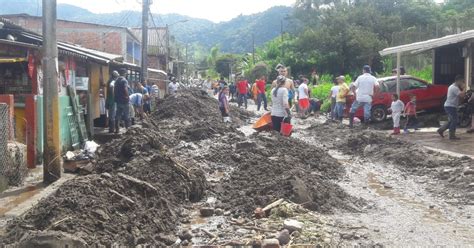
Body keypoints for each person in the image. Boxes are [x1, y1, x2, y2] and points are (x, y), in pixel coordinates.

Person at [437, 75, 466, 140]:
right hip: (450, 106)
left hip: (450, 106)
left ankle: (441, 130)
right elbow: (461, 95)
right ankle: (452, 135)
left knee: (452, 120)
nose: (462, 83)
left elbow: (461, 97)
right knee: (455, 120)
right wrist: (464, 88)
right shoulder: (454, 88)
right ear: (458, 81)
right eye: (461, 81)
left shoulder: (453, 86)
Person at [114, 68, 130, 133]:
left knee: (118, 115)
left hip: (118, 100)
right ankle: (127, 130)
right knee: (126, 115)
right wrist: (127, 96)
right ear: (124, 73)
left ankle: (117, 129)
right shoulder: (124, 80)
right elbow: (125, 88)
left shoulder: (116, 81)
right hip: (124, 100)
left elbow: (114, 90)